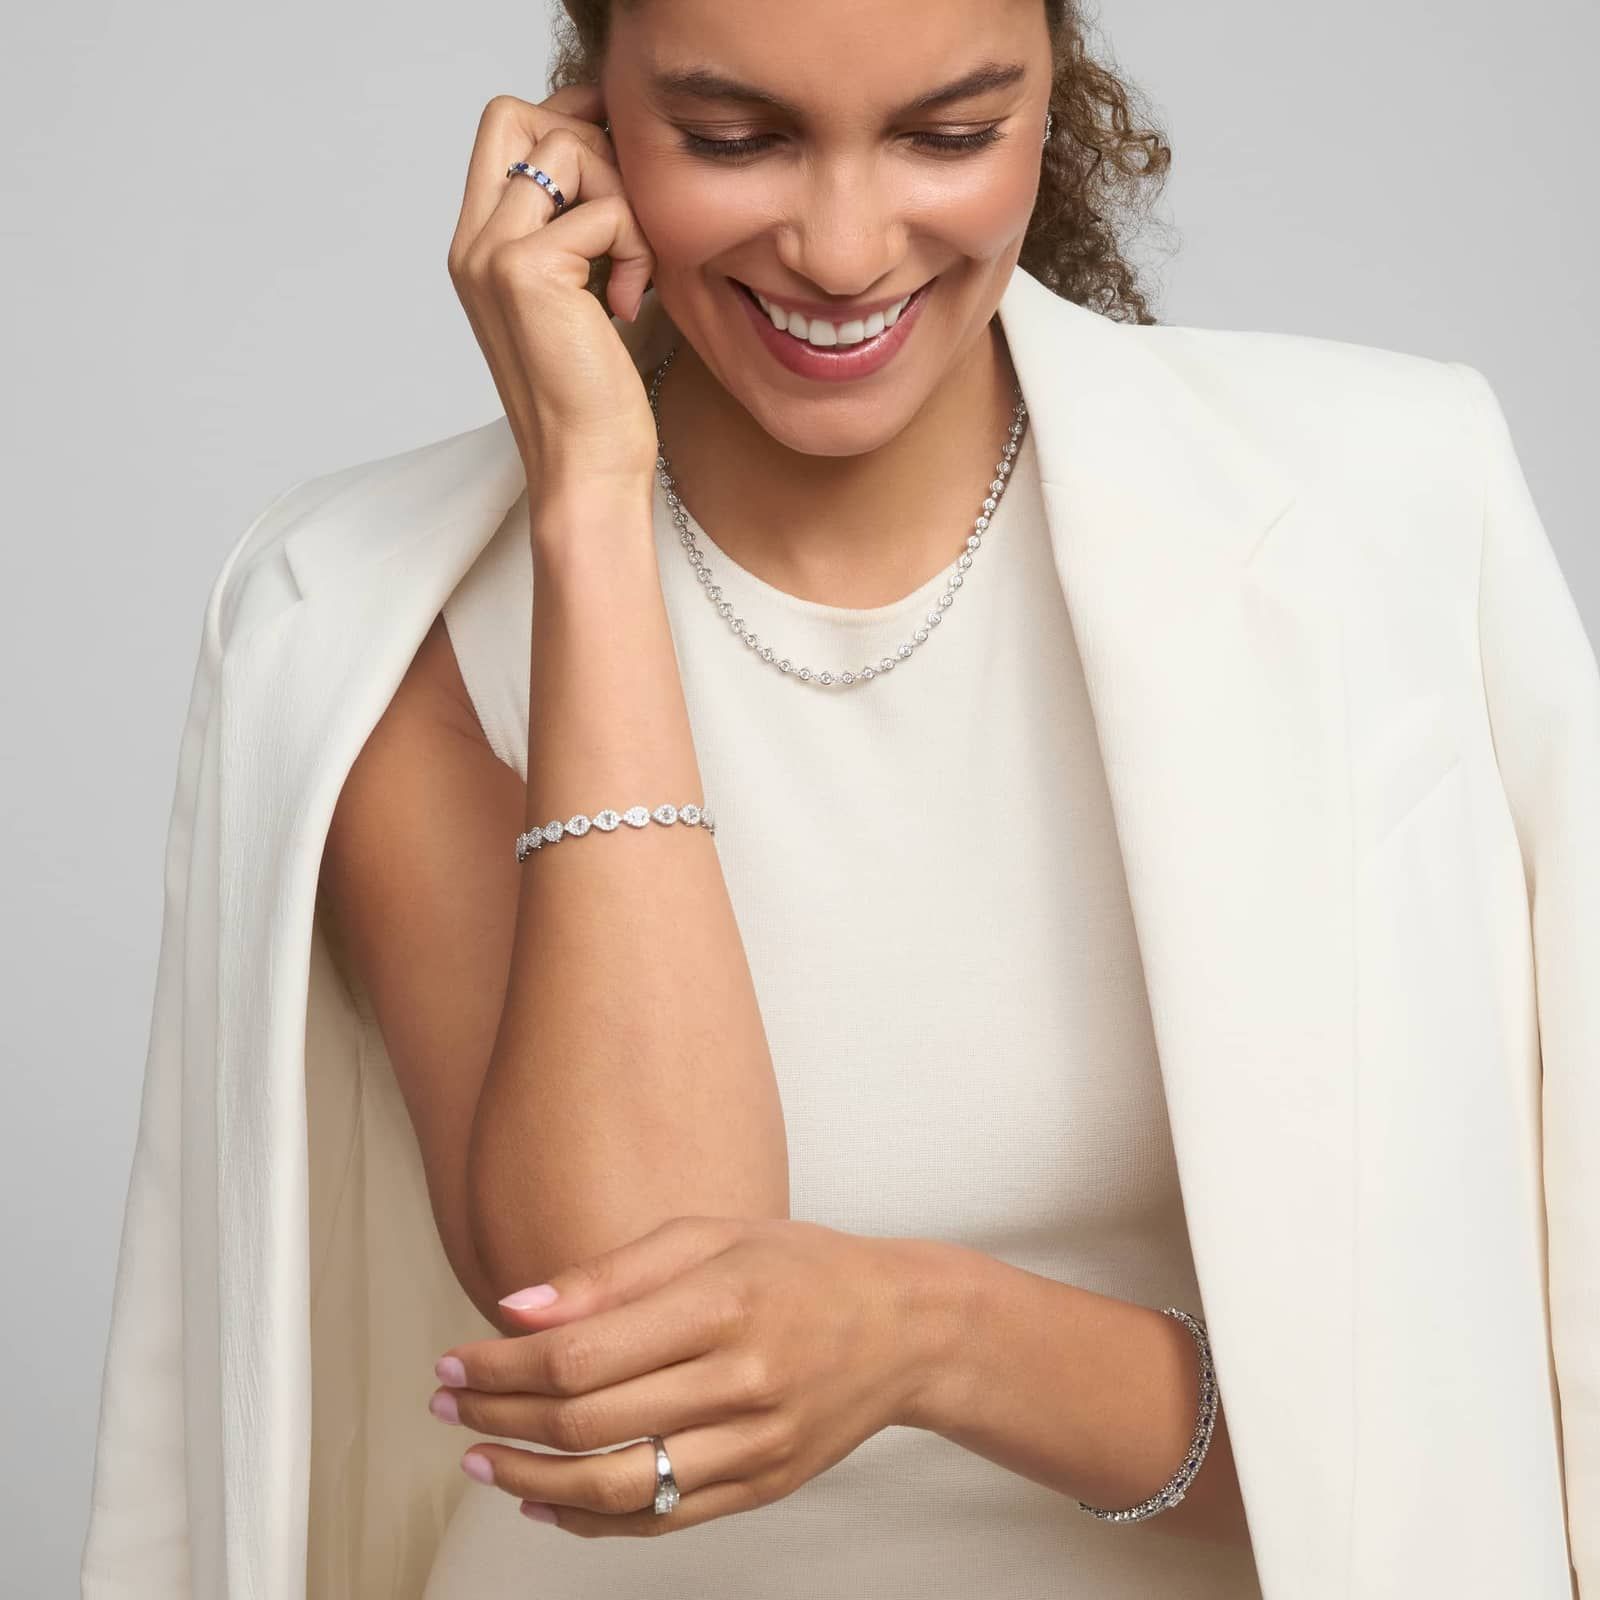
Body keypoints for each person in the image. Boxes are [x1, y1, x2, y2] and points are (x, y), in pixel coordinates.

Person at [81, 1, 1599, 1596]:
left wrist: (931, 1336)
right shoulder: (373, 621)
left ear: (1051, 100)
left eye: (949, 133)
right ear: (590, 123)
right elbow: (635, 1359)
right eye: (734, 140)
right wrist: (589, 501)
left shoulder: (1380, 511)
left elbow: (1476, 1419)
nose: (845, 248)